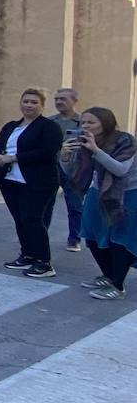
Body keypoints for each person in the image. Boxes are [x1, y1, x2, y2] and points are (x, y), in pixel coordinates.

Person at [0, 88, 63, 278]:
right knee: (20, 219)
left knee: (33, 219)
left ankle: (44, 262)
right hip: (11, 180)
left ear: (42, 106)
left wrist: (13, 158)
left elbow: (47, 152)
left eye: (34, 102)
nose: (29, 105)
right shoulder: (11, 126)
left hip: (39, 181)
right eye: (26, 101)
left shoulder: (49, 127)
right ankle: (28, 254)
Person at [65, 107, 136, 301]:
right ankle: (108, 275)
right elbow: (74, 173)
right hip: (97, 191)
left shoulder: (125, 140)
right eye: (83, 123)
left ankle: (118, 286)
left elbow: (120, 169)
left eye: (91, 122)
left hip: (127, 194)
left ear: (106, 123)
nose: (86, 126)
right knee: (91, 233)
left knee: (120, 238)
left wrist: (95, 150)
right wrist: (64, 156)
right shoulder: (84, 142)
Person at [45, 87, 84, 253]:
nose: (59, 102)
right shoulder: (49, 122)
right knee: (46, 205)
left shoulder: (84, 123)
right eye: (57, 99)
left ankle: (74, 239)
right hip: (51, 168)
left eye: (63, 99)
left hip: (73, 170)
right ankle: (41, 235)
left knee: (75, 206)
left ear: (74, 101)